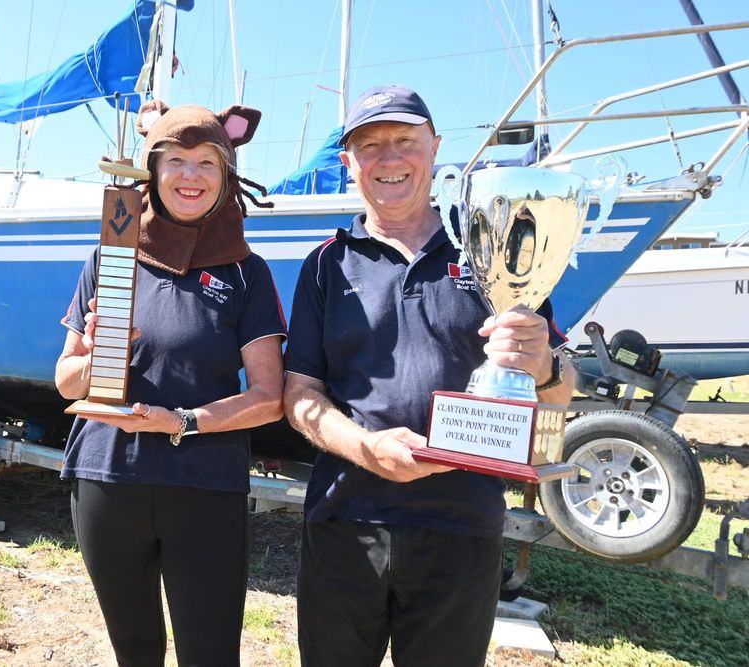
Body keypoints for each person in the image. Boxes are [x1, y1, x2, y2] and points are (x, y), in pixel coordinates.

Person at [282, 85, 576, 667]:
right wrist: (366, 449)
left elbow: (561, 391)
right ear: (349, 164)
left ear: (435, 147)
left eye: (404, 140)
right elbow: (300, 395)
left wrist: (543, 364)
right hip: (346, 522)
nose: (389, 159)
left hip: (463, 528)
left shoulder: (495, 248)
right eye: (370, 146)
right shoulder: (325, 264)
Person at [55, 100, 286, 667]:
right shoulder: (114, 256)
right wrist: (99, 357)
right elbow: (65, 382)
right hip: (108, 478)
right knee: (134, 650)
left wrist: (183, 421)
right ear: (152, 173)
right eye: (177, 160)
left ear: (226, 177)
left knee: (210, 652)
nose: (191, 175)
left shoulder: (246, 273)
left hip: (205, 485)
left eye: (208, 161)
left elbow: (269, 398)